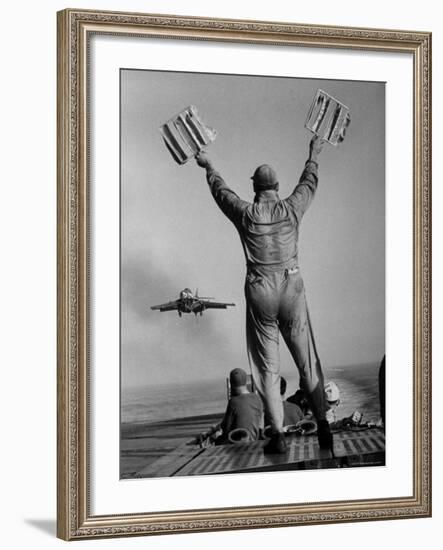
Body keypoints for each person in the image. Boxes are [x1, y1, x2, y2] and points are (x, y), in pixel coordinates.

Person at [196, 135, 332, 454]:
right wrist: (312, 152)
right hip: (291, 286)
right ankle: (324, 425)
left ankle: (279, 436)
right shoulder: (292, 208)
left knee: (268, 370)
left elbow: (222, 193)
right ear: (277, 187)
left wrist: (209, 166)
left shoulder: (245, 214)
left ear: (255, 188)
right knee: (307, 363)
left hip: (260, 291)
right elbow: (308, 182)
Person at [216, 368, 264, 444]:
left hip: (237, 442)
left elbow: (226, 428)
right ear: (245, 382)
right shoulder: (257, 398)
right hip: (255, 440)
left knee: (216, 439)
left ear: (231, 384)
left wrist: (217, 433)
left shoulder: (233, 401)